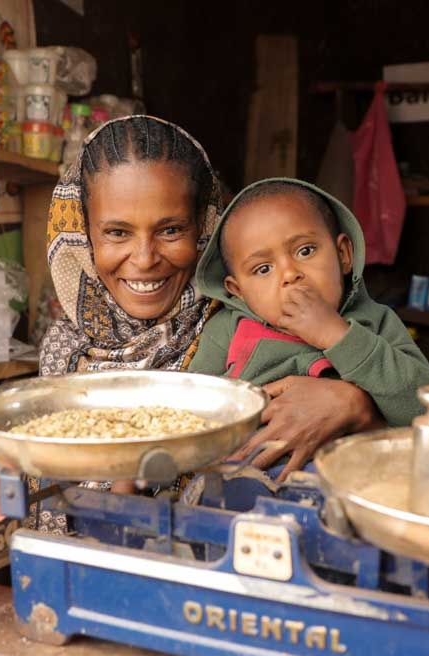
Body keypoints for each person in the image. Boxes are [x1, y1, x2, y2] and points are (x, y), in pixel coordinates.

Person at [38, 116, 383, 487]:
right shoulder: (64, 350)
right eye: (117, 232)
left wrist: (356, 407)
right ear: (83, 235)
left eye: (171, 230)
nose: (144, 258)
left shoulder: (257, 316)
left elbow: (401, 442)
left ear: (203, 227)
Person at [187, 178, 429, 426]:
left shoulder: (377, 322)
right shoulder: (227, 329)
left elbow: (425, 411)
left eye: (305, 251)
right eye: (263, 269)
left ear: (343, 255)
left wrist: (336, 335)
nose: (289, 274)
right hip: (245, 461)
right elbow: (191, 410)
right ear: (238, 290)